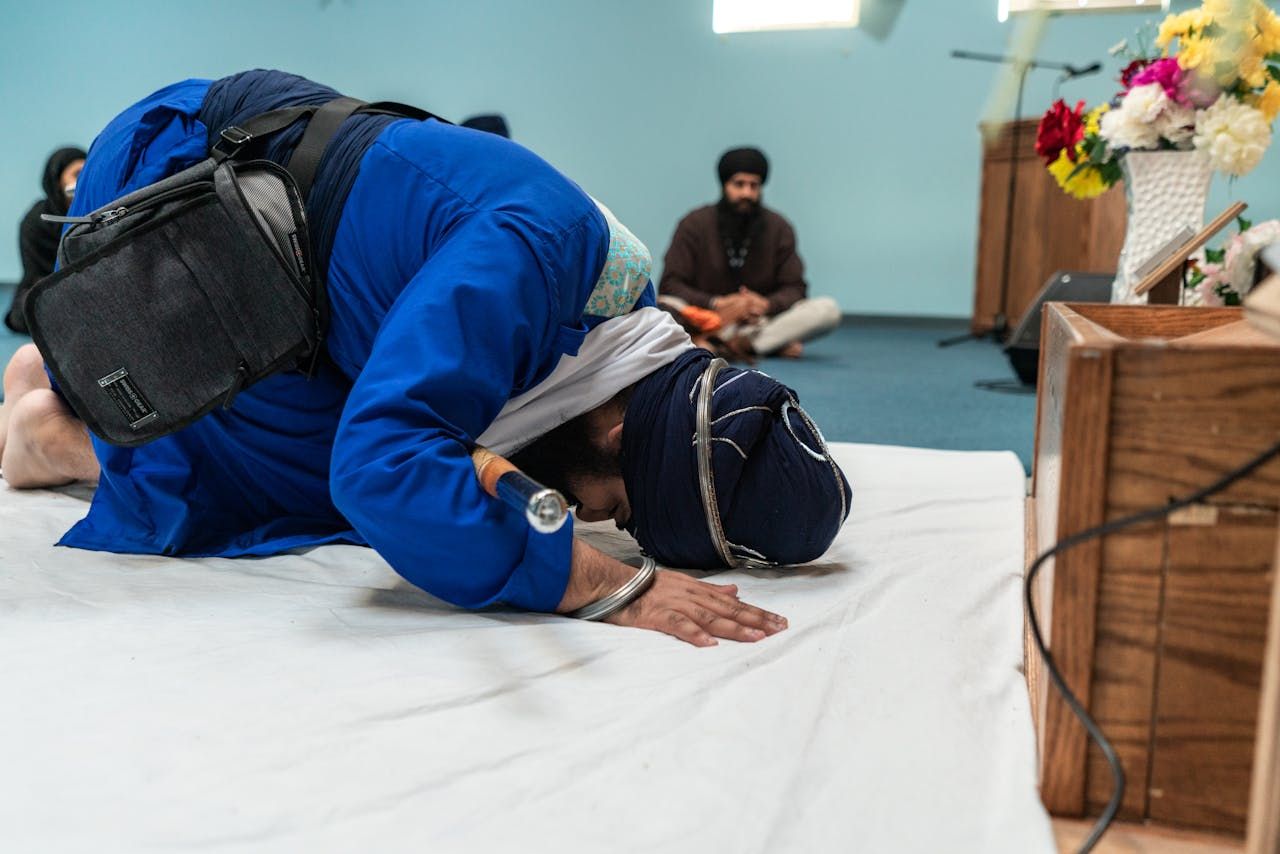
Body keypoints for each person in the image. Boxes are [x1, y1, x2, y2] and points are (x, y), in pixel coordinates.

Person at [0, 71, 849, 648]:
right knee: (332, 483)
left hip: (272, 261)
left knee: (428, 474)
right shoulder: (531, 262)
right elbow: (375, 472)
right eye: (621, 507)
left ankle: (64, 376)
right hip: (168, 192)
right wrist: (597, 584)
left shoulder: (612, 322)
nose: (600, 519)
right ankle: (47, 431)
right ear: (622, 424)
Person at [659, 146, 841, 359]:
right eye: (739, 184)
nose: (747, 193)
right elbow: (670, 284)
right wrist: (716, 303)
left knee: (827, 310)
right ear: (725, 186)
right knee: (664, 305)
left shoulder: (779, 227)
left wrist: (763, 305)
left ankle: (729, 345)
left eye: (754, 186)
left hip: (757, 323)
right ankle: (766, 345)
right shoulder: (694, 224)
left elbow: (795, 287)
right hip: (705, 318)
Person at [4, 147, 87, 333]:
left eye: (87, 173)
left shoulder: (97, 213)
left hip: (88, 284)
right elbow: (35, 273)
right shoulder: (37, 221)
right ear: (57, 181)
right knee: (28, 310)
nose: (83, 181)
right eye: (77, 174)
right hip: (46, 283)